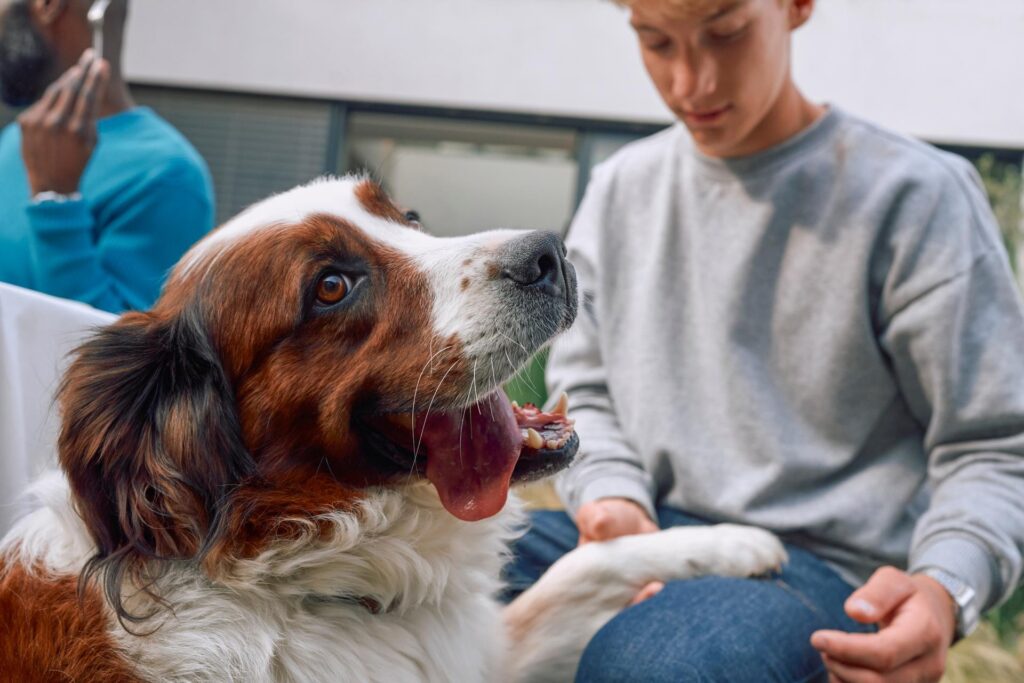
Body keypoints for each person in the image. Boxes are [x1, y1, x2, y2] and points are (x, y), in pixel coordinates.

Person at [503, 0, 1024, 681]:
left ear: (796, 7)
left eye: (726, 34)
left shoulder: (917, 197)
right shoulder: (620, 188)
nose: (691, 83)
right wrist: (612, 500)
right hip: (648, 525)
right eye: (656, 41)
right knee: (381, 593)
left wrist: (946, 586)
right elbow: (586, 386)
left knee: (659, 667)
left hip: (808, 564)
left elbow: (992, 442)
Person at [0, 0, 213, 313]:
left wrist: (56, 199)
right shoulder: (18, 136)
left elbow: (118, 355)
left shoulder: (169, 175)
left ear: (48, 5)